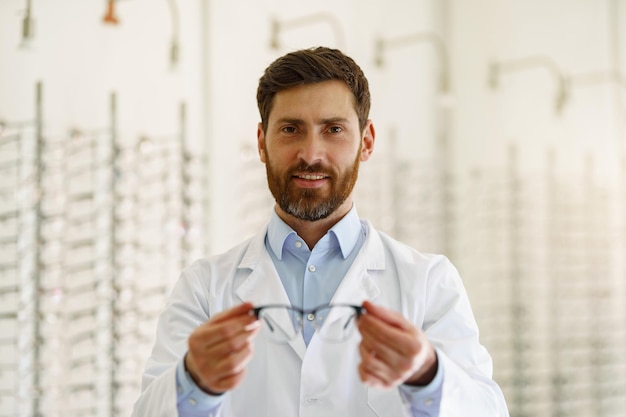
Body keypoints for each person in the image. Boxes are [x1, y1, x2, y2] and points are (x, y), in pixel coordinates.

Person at [132, 46, 509, 417]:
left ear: (367, 141)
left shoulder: (427, 282)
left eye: (333, 129)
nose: (311, 153)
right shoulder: (204, 287)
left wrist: (428, 373)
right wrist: (192, 381)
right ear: (262, 143)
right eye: (291, 129)